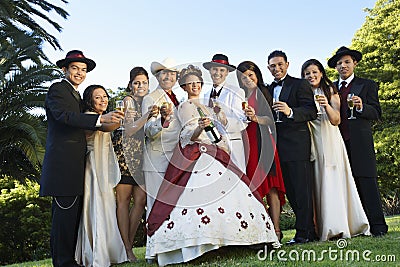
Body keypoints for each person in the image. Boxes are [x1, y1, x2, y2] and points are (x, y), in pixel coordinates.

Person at [146, 65, 279, 266]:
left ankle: (239, 239)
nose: (195, 86)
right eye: (189, 83)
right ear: (184, 87)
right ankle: (198, 242)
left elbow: (220, 131)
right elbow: (187, 136)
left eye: (197, 82)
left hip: (217, 152)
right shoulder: (183, 107)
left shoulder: (209, 106)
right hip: (196, 154)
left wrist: (221, 118)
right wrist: (199, 130)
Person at [39, 50, 123, 267]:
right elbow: (64, 117)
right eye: (75, 68)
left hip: (76, 166)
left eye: (83, 70)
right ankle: (63, 262)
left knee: (72, 218)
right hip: (63, 166)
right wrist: (99, 118)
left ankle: (70, 260)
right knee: (63, 218)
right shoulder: (58, 89)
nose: (79, 73)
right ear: (64, 70)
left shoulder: (75, 95)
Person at [301, 59, 370, 241]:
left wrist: (326, 105)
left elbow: (336, 120)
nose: (311, 76)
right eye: (307, 73)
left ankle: (339, 226)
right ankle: (321, 226)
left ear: (321, 73)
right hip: (312, 142)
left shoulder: (330, 91)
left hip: (329, 139)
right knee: (318, 182)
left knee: (332, 180)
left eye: (314, 72)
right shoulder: (303, 94)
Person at [328, 46, 388, 237]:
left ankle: (378, 227)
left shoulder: (367, 84)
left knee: (367, 182)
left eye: (346, 62)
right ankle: (355, 226)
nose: (343, 66)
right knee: (346, 184)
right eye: (339, 63)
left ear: (354, 63)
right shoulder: (331, 88)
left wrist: (362, 107)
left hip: (360, 142)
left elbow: (377, 113)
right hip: (337, 143)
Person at [267, 50, 318, 245]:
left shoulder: (300, 84)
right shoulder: (268, 89)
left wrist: (290, 112)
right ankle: (304, 231)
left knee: (302, 190)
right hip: (277, 147)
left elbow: (310, 111)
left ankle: (305, 233)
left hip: (297, 146)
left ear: (287, 64)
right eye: (272, 66)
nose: (276, 68)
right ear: (268, 68)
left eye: (280, 64)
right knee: (290, 191)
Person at [75, 85, 127, 266]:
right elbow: (105, 128)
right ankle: (97, 253)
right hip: (93, 167)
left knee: (107, 205)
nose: (103, 100)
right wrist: (120, 117)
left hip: (103, 166)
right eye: (98, 97)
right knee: (96, 204)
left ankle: (111, 251)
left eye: (105, 96)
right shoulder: (89, 117)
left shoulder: (102, 117)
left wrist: (119, 118)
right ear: (90, 100)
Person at [236, 61, 286, 241]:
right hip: (246, 143)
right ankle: (261, 230)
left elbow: (271, 119)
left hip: (262, 140)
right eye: (244, 77)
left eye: (251, 75)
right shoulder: (239, 95)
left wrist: (255, 117)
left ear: (257, 75)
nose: (248, 79)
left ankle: (277, 230)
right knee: (254, 186)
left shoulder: (263, 92)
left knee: (271, 185)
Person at [112, 67, 157, 262]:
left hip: (141, 156)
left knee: (140, 201)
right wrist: (147, 115)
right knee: (124, 200)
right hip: (125, 154)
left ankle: (127, 246)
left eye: (144, 83)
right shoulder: (128, 101)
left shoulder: (148, 101)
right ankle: (127, 250)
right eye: (137, 83)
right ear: (130, 85)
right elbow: (129, 130)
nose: (140, 86)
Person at [141, 58, 181, 262]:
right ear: (157, 77)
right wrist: (162, 120)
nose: (168, 77)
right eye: (164, 73)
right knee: (155, 205)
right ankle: (152, 252)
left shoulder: (178, 99)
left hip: (176, 159)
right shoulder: (150, 99)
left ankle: (172, 249)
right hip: (157, 159)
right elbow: (148, 131)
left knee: (173, 205)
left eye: (172, 74)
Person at [203, 54, 248, 173]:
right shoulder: (205, 95)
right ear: (210, 71)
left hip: (232, 145)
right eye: (215, 69)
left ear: (227, 72)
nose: (218, 73)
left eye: (222, 70)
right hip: (212, 147)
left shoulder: (237, 91)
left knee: (237, 180)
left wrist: (225, 121)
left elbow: (243, 121)